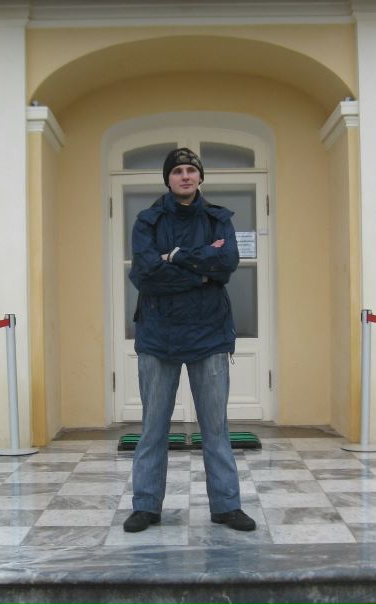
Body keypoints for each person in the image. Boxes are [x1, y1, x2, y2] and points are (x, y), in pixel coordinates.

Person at [123, 147, 256, 533]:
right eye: (178, 171)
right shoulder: (147, 221)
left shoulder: (219, 220)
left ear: (200, 177)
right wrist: (201, 271)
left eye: (191, 170)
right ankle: (146, 505)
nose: (185, 176)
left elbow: (227, 264)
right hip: (157, 337)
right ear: (168, 178)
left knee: (215, 428)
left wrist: (175, 257)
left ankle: (227, 505)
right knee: (153, 429)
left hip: (209, 335)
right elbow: (145, 275)